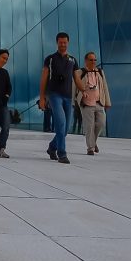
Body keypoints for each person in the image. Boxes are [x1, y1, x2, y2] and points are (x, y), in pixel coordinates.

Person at [38, 32, 81, 164]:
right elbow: (44, 78)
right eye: (60, 42)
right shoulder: (50, 59)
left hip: (68, 97)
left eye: (65, 42)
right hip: (54, 95)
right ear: (57, 43)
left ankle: (52, 147)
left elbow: (77, 79)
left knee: (66, 129)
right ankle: (62, 153)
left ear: (68, 43)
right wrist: (42, 98)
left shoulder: (73, 60)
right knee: (60, 124)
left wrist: (84, 90)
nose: (63, 44)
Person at [76, 52, 111, 155]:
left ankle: (93, 142)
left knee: (101, 123)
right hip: (86, 103)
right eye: (91, 60)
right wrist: (74, 102)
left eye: (95, 60)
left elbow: (105, 87)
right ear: (86, 61)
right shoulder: (80, 72)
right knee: (89, 126)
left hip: (99, 102)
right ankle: (90, 148)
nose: (93, 62)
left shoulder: (100, 72)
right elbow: (74, 87)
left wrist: (107, 102)